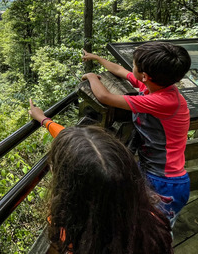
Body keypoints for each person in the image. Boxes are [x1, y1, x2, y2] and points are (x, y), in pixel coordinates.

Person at [29, 100, 173, 254]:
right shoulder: (151, 222)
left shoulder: (75, 236)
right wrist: (45, 121)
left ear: (71, 189)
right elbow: (86, 151)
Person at [81, 41, 191, 227]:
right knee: (141, 221)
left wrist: (92, 77)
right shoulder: (158, 87)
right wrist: (97, 58)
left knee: (156, 229)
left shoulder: (162, 101)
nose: (131, 67)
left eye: (134, 65)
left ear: (146, 76)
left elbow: (105, 97)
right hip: (154, 172)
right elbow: (120, 70)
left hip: (165, 182)